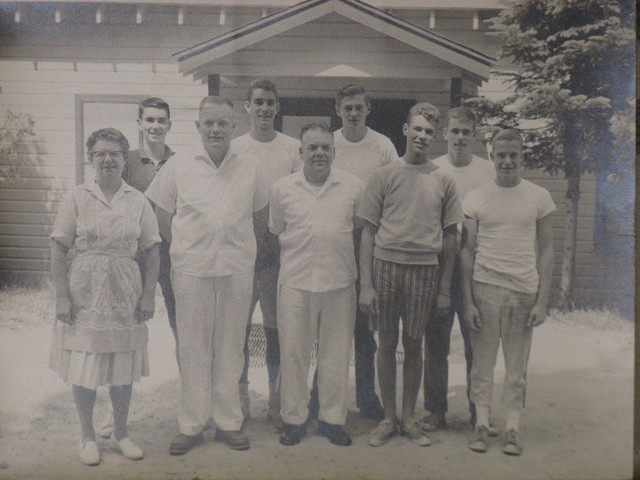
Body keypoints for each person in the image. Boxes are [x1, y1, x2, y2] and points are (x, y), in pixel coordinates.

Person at [146, 97, 268, 454]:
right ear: (198, 127)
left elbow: (259, 218)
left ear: (234, 127)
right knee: (193, 349)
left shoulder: (251, 167)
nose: (216, 129)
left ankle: (229, 423)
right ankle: (192, 424)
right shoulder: (179, 166)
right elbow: (162, 214)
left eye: (223, 124)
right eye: (209, 124)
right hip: (191, 271)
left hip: (235, 269)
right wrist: (188, 246)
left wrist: (239, 249)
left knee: (231, 348)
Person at [50, 128, 160, 465]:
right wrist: (63, 297)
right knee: (86, 364)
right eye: (100, 153)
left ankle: (120, 433)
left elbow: (153, 250)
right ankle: (87, 437)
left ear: (124, 159)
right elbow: (58, 247)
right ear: (91, 158)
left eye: (114, 153)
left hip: (126, 291)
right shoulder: (77, 197)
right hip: (85, 291)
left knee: (121, 366)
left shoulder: (137, 199)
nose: (108, 159)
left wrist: (148, 297)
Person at [358, 103, 462, 447]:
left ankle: (409, 418)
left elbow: (450, 237)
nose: (422, 136)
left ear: (436, 136)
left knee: (415, 344)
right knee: (386, 344)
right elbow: (368, 233)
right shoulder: (384, 175)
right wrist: (367, 285)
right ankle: (389, 418)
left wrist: (445, 287)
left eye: (429, 132)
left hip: (424, 271)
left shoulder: (444, 179)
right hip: (386, 267)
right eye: (417, 129)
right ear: (405, 130)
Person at [462, 129, 555, 456]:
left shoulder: (539, 196)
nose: (507, 161)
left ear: (522, 157)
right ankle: (482, 425)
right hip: (485, 289)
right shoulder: (476, 196)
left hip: (522, 292)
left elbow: (546, 250)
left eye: (513, 155)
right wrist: (468, 300)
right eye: (501, 155)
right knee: (481, 365)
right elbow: (466, 251)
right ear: (492, 156)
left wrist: (542, 301)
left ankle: (513, 427)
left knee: (517, 366)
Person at [270, 123, 363, 447]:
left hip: (339, 283)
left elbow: (360, 231)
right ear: (301, 152)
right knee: (294, 353)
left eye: (325, 147)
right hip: (296, 282)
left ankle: (332, 420)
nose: (320, 153)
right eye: (313, 148)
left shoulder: (353, 187)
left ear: (334, 152)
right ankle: (293, 420)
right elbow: (276, 230)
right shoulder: (282, 189)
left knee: (336, 355)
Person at [309, 84, 398, 421]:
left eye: (359, 107)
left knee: (364, 330)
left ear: (368, 109)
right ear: (338, 109)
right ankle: (318, 398)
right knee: (329, 331)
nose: (354, 113)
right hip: (334, 243)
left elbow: (393, 190)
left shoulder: (383, 146)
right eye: (347, 108)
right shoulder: (330, 144)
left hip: (370, 242)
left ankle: (366, 396)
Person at [99, 97, 176, 440]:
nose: (156, 125)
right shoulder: (126, 161)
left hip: (173, 256)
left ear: (169, 124)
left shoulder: (180, 162)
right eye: (150, 120)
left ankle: (193, 412)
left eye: (162, 120)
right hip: (132, 259)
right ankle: (115, 420)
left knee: (185, 333)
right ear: (140, 124)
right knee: (120, 337)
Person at [421, 106, 496, 433]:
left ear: (475, 135)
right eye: (455, 132)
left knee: (475, 343)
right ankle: (435, 409)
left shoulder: (489, 171)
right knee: (436, 341)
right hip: (440, 267)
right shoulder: (432, 169)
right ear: (445, 134)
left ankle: (477, 410)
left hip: (477, 269)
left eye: (467, 132)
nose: (461, 138)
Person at [231, 79, 301, 429]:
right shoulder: (234, 148)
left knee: (276, 330)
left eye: (270, 102)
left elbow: (300, 198)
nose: (264, 108)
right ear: (247, 107)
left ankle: (276, 400)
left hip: (277, 252)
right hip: (241, 250)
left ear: (277, 107)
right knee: (238, 329)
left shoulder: (292, 148)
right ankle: (240, 401)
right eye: (257, 102)